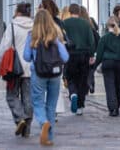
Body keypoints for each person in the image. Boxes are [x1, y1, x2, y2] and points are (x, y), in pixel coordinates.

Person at [23, 9, 69, 147]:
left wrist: (34, 56)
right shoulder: (55, 36)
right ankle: (49, 138)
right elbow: (65, 57)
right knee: (51, 105)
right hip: (55, 74)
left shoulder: (32, 36)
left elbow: (26, 56)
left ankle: (43, 123)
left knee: (37, 101)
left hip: (38, 73)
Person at [0, 2, 33, 137]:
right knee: (28, 98)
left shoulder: (12, 26)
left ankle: (20, 117)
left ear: (18, 12)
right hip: (31, 67)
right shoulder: (35, 26)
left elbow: (4, 47)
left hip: (14, 68)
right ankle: (27, 127)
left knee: (11, 95)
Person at [95, 16, 120, 116]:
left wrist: (95, 65)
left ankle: (113, 108)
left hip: (107, 63)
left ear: (108, 26)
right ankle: (117, 104)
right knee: (117, 86)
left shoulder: (104, 38)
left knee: (109, 86)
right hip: (119, 64)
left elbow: (99, 54)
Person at [62, 3, 96, 116]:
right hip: (84, 54)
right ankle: (80, 105)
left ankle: (73, 94)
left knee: (70, 77)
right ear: (79, 12)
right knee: (82, 79)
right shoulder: (86, 24)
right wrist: (91, 55)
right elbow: (91, 41)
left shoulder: (64, 24)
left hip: (70, 54)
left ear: (70, 12)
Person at [79, 6, 100, 94]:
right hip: (92, 51)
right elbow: (98, 37)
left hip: (81, 52)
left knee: (82, 71)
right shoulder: (91, 24)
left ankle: (86, 85)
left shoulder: (79, 26)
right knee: (90, 70)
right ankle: (91, 83)